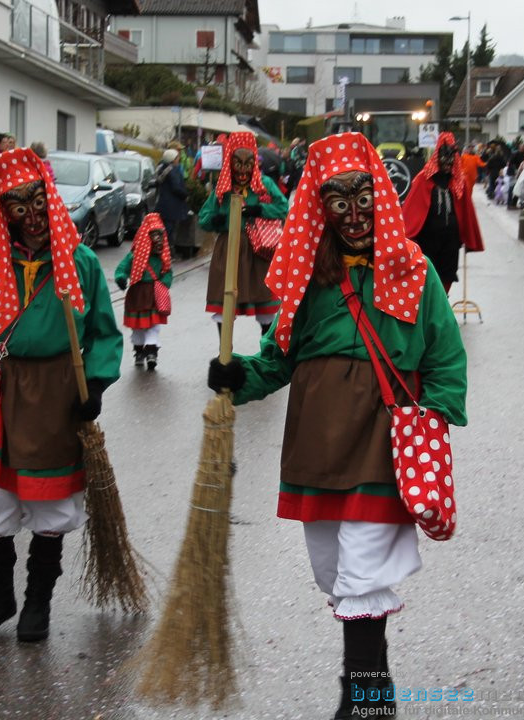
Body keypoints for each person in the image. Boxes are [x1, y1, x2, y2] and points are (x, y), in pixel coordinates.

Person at [206, 132, 467, 719]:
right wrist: (234, 376)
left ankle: (370, 701)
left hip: (382, 434)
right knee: (333, 568)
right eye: (338, 201)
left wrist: (434, 418)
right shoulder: (305, 277)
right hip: (317, 438)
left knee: (362, 570)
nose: (353, 214)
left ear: (382, 196)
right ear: (319, 206)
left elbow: (446, 357)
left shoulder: (415, 270)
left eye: (363, 197)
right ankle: (364, 689)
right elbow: (276, 362)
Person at [0, 146, 122, 642]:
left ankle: (37, 604)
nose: (33, 216)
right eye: (18, 208)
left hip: (58, 393)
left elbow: (105, 334)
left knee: (49, 504)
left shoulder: (79, 262)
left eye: (38, 203)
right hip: (3, 392)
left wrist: (97, 384)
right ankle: (0, 597)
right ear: (5, 214)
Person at [198, 131, 289, 335]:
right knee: (225, 302)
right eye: (238, 163)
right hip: (229, 249)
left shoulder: (265, 184)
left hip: (258, 250)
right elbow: (203, 217)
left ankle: (268, 352)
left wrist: (260, 210)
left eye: (248, 164)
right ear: (230, 162)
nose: (243, 170)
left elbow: (284, 209)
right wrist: (216, 220)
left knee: (265, 304)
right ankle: (225, 353)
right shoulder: (223, 188)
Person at [402, 132, 484, 295]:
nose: (447, 164)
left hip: (451, 239)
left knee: (447, 273)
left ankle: (443, 303)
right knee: (427, 273)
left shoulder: (458, 182)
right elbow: (412, 210)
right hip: (428, 239)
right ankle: (429, 305)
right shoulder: (423, 180)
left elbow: (466, 212)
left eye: (451, 160)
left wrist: (467, 237)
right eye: (444, 159)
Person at [114, 213, 173, 371]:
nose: (157, 239)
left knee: (153, 325)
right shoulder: (134, 256)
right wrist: (121, 277)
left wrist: (164, 283)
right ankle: (139, 352)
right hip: (137, 293)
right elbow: (122, 268)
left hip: (154, 294)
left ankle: (152, 353)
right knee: (138, 326)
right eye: (154, 235)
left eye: (159, 235)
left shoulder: (162, 257)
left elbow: (167, 271)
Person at [155, 147, 190, 257]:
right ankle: (168, 252)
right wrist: (185, 195)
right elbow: (176, 187)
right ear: (172, 159)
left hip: (163, 204)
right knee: (169, 230)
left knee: (164, 229)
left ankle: (163, 250)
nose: (178, 159)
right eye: (176, 157)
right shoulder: (173, 170)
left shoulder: (162, 168)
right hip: (172, 205)